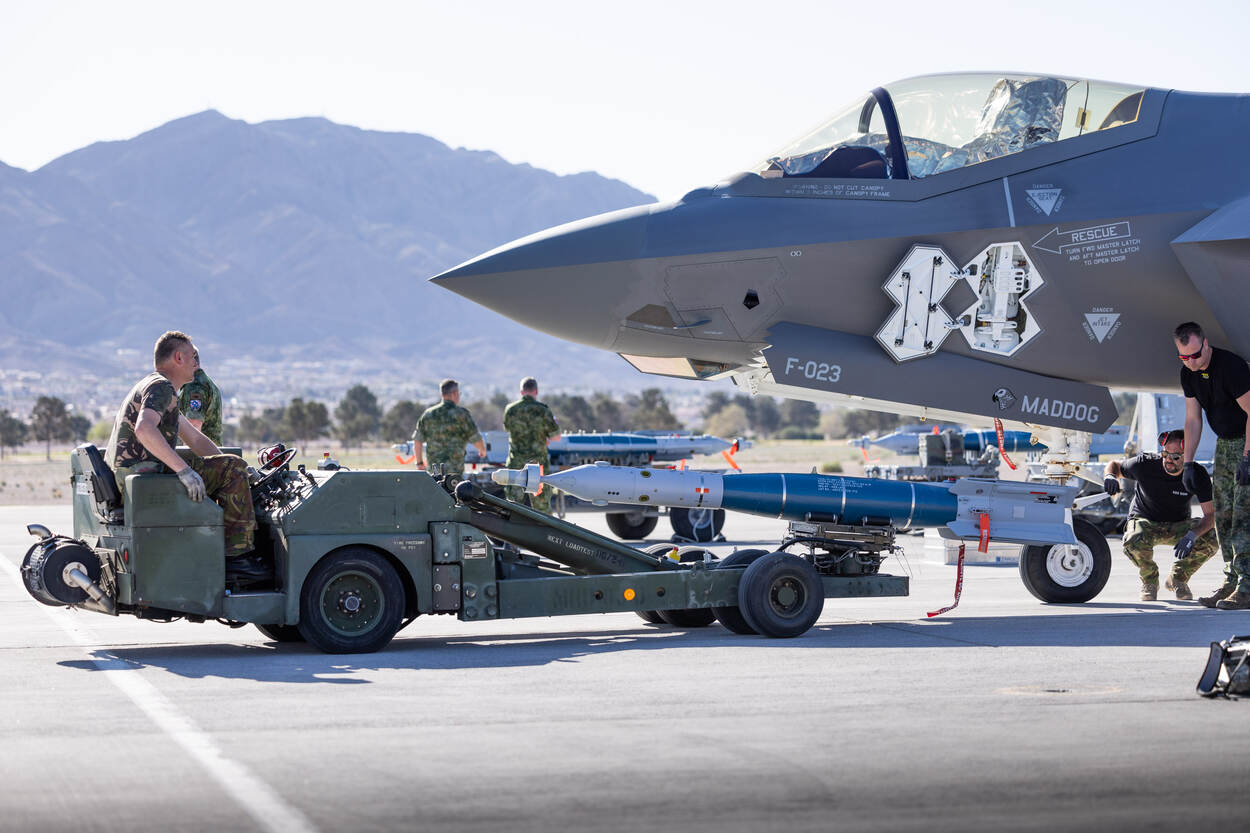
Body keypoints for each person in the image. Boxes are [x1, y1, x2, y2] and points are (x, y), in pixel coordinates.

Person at [105, 331, 260, 575]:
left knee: (233, 466)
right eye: (192, 357)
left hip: (136, 479)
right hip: (144, 480)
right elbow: (144, 429)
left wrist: (239, 468)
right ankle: (238, 560)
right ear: (178, 357)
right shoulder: (162, 387)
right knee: (233, 469)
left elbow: (195, 439)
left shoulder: (157, 387)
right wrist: (184, 471)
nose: (196, 363)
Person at [1174, 321, 1250, 609]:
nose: (1191, 362)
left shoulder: (1231, 367)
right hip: (1225, 444)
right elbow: (1193, 419)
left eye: (1195, 355)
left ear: (1205, 344)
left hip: (1246, 441)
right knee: (1223, 517)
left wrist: (1247, 456)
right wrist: (1188, 463)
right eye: (1184, 357)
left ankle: (1247, 586)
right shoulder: (1188, 374)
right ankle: (1232, 582)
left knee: (1243, 517)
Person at [1105, 429, 1218, 600]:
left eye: (1176, 457)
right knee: (1133, 539)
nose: (1168, 460)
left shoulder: (1197, 474)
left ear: (1188, 456)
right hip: (1145, 522)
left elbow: (1210, 516)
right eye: (1165, 454)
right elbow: (1114, 465)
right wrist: (1110, 476)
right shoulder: (1146, 464)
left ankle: (1178, 578)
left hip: (1178, 525)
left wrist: (1192, 536)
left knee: (1211, 538)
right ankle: (1149, 581)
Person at [503, 377, 561, 513]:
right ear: (536, 391)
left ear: (521, 392)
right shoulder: (543, 410)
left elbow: (508, 429)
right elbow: (556, 437)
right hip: (538, 466)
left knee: (513, 508)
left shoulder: (510, 410)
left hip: (516, 465)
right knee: (542, 508)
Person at [412, 379, 486, 481]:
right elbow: (475, 437)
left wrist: (419, 463)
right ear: (454, 393)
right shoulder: (462, 414)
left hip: (434, 472)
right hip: (455, 472)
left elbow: (417, 440)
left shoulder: (428, 414)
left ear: (442, 394)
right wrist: (482, 450)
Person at [178, 350, 223, 444]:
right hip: (209, 450)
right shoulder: (202, 382)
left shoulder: (195, 385)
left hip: (201, 452)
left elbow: (194, 426)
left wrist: (184, 453)